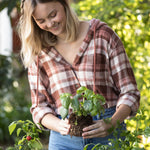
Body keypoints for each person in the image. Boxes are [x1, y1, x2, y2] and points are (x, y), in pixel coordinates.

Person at [18, 0, 140, 149]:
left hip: (109, 134)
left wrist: (112, 123)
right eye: (41, 20)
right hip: (63, 140)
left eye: (53, 15)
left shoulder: (102, 36)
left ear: (65, 4)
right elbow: (39, 107)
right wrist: (58, 125)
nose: (50, 24)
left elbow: (130, 92)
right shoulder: (40, 51)